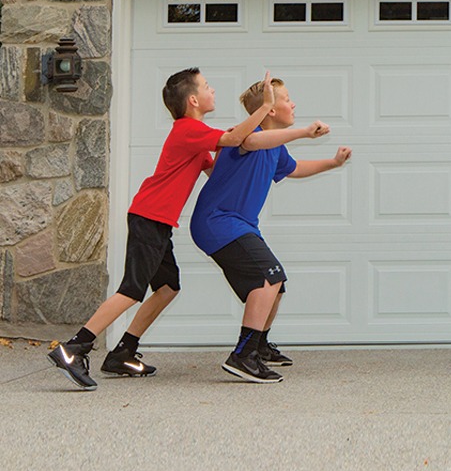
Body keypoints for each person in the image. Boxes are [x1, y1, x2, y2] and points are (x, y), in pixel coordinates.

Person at [48, 68, 276, 389]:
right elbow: (234, 139)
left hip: (158, 220)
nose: (214, 90)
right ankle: (74, 347)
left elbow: (220, 171)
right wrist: (265, 107)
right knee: (132, 290)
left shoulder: (197, 136)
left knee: (168, 287)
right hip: (149, 216)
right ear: (194, 100)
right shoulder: (188, 129)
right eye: (208, 86)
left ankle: (123, 352)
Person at [190, 77, 352, 383]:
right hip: (217, 222)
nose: (294, 104)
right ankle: (242, 355)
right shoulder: (246, 134)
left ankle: (259, 347)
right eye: (287, 99)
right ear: (271, 110)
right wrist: (304, 132)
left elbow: (294, 169)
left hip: (238, 225)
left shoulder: (275, 148)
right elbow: (251, 142)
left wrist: (333, 163)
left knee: (277, 284)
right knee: (268, 276)